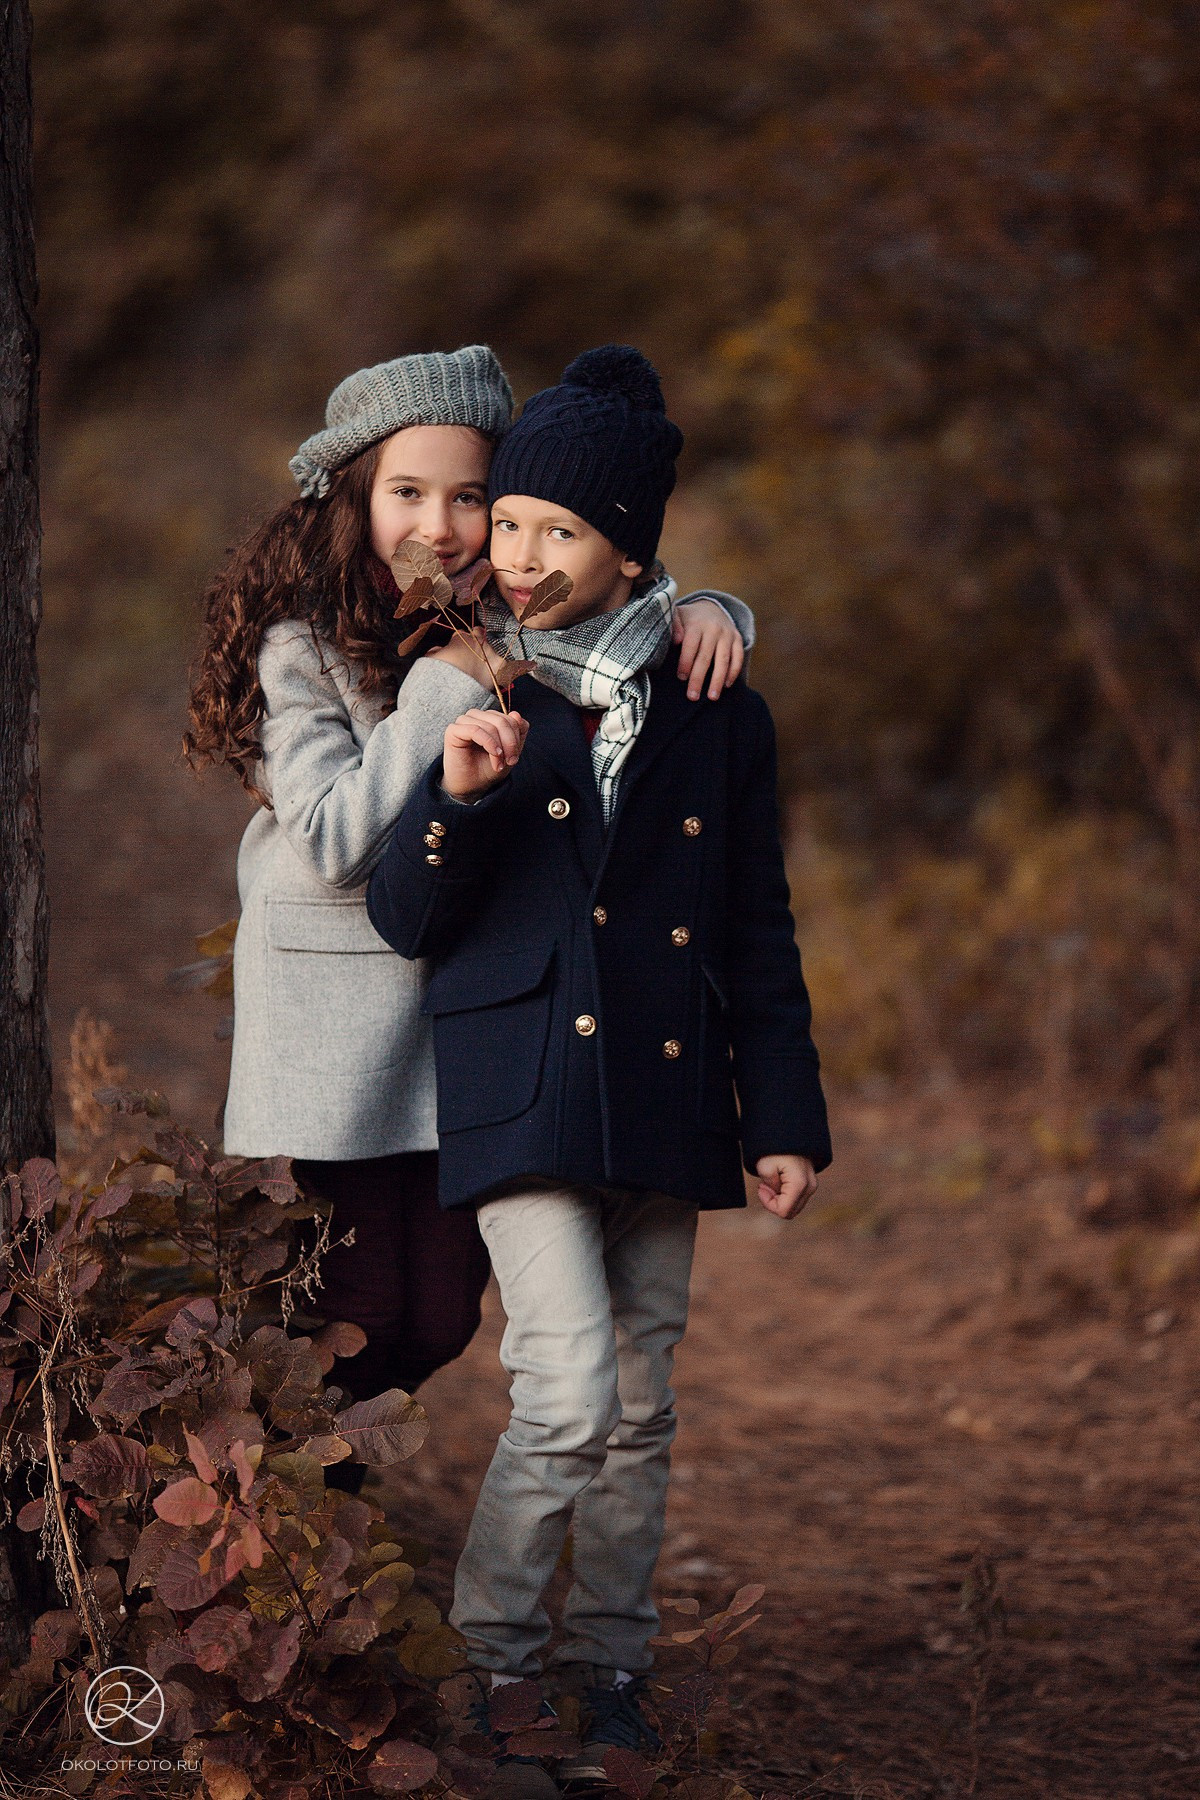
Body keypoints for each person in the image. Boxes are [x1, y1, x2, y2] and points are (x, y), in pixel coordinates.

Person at [366, 346, 831, 1786]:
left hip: (670, 1095)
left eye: (556, 530)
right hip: (520, 1095)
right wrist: (456, 801)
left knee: (643, 1405)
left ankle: (611, 1668)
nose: (516, 555)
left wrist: (783, 1115)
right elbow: (404, 915)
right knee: (568, 1392)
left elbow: (756, 924)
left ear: (630, 550)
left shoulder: (717, 708)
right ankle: (495, 1659)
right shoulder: (473, 682)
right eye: (506, 522)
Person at [184, 345, 755, 1493]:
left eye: (471, 497)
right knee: (344, 1309)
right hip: (335, 1035)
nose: (440, 528)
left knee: (441, 1315)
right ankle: (285, 1522)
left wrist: (707, 606)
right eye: (408, 491)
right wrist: (450, 678)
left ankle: (325, 1515)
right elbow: (334, 835)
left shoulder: (508, 613)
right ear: (355, 493)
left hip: (469, 1019)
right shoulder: (304, 640)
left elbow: (612, 599)